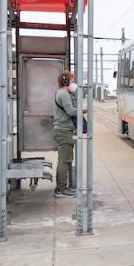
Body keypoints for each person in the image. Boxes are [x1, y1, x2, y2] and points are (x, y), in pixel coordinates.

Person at [53, 70, 79, 198]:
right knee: (65, 160)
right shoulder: (63, 95)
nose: (74, 83)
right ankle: (60, 189)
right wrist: (84, 110)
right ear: (66, 81)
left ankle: (62, 187)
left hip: (63, 130)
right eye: (73, 80)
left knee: (65, 160)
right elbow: (71, 111)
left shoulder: (63, 93)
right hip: (63, 131)